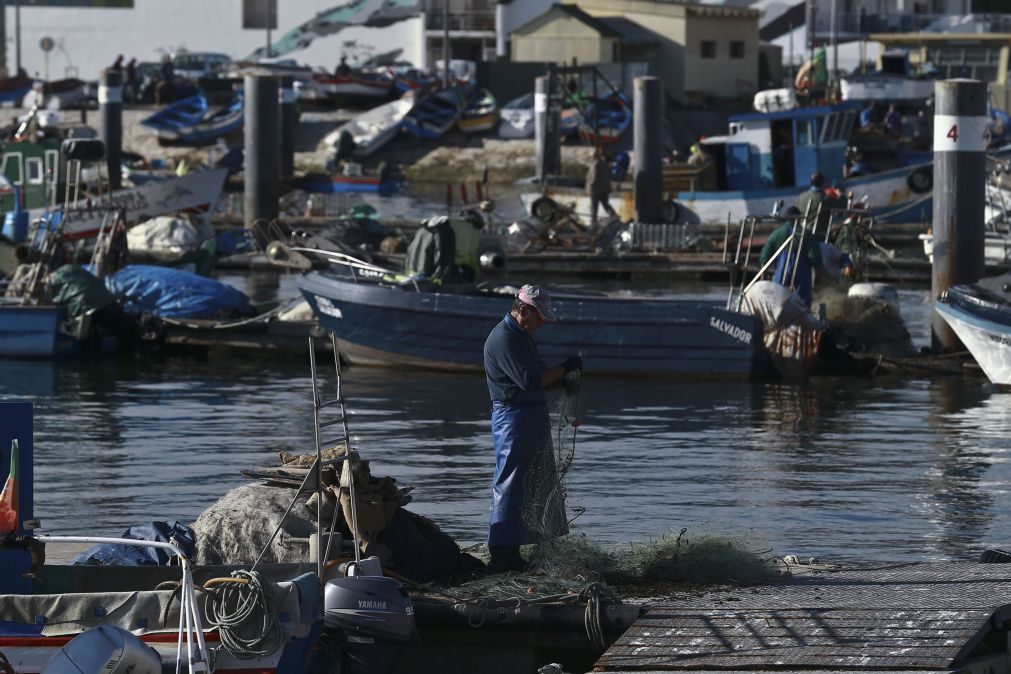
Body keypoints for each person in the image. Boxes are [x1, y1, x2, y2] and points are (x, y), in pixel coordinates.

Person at [483, 284, 579, 574]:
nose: (540, 325)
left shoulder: (522, 336)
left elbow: (538, 377)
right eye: (538, 318)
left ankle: (516, 550)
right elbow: (528, 379)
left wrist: (561, 381)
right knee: (511, 482)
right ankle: (501, 552)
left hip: (529, 417)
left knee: (534, 482)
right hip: (512, 419)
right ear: (524, 310)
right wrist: (566, 367)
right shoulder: (504, 339)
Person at [760, 206, 823, 307]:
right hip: (801, 275)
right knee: (802, 306)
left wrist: (763, 277)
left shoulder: (776, 234)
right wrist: (818, 277)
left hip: (781, 273)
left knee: (777, 302)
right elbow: (815, 258)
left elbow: (764, 257)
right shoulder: (806, 235)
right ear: (799, 219)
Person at [585, 148, 616, 227]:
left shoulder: (595, 164)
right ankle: (614, 217)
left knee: (594, 208)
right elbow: (609, 175)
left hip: (595, 190)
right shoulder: (604, 163)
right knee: (606, 205)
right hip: (604, 189)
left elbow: (594, 176)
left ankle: (593, 224)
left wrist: (591, 184)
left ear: (594, 156)